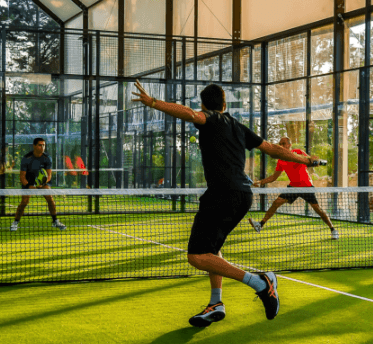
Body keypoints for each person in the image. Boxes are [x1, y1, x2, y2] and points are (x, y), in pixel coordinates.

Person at [132, 80, 317, 327]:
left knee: (197, 256)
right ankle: (215, 302)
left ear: (204, 106)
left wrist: (154, 102)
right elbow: (273, 149)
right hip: (242, 195)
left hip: (223, 194)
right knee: (212, 249)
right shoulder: (238, 127)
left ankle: (261, 283)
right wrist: (306, 161)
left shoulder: (211, 119)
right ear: (225, 104)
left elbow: (189, 114)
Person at [248, 136, 338, 240]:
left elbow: (310, 161)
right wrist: (261, 182)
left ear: (289, 145)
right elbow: (274, 177)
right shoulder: (281, 160)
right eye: (280, 144)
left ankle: (333, 229)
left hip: (306, 186)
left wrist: (315, 161)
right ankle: (260, 224)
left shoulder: (298, 152)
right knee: (276, 203)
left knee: (318, 209)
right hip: (293, 187)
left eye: (283, 143)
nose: (281, 145)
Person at [11, 138, 67, 232]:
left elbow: (49, 175)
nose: (42, 147)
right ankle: (15, 222)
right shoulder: (26, 158)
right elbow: (22, 177)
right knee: (24, 201)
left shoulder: (47, 158)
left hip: (43, 182)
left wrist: (42, 183)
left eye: (43, 145)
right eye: (40, 145)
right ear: (34, 146)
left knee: (50, 198)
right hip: (29, 182)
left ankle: (55, 221)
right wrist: (29, 186)